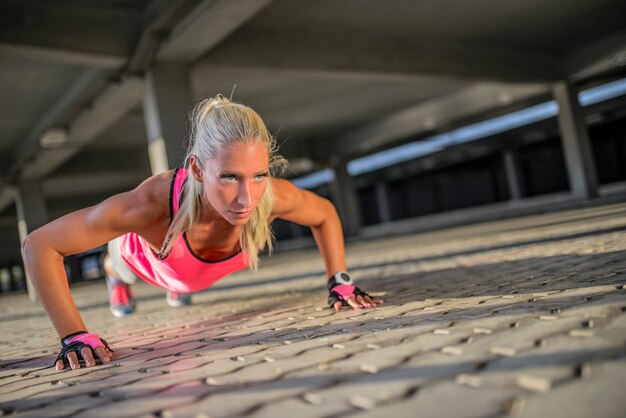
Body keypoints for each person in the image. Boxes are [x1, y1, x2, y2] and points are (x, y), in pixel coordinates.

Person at [21, 96, 384, 372]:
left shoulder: (270, 195)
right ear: (197, 169)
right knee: (121, 267)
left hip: (188, 276)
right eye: (228, 176)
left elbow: (324, 214)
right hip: (141, 259)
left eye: (257, 175)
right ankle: (114, 276)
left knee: (181, 288)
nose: (246, 198)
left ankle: (174, 289)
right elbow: (39, 244)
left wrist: (340, 282)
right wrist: (73, 336)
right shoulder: (150, 204)